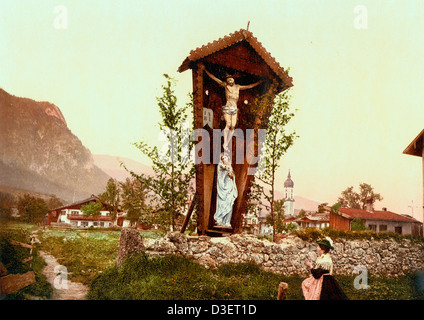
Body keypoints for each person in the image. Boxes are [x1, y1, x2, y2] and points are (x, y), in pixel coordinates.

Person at [200, 65, 263, 153]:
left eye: (231, 79)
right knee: (228, 124)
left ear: (233, 79)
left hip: (234, 109)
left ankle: (227, 142)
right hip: (227, 107)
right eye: (228, 80)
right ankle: (225, 143)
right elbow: (215, 79)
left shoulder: (238, 87)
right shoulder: (226, 86)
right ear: (227, 81)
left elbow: (249, 86)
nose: (230, 81)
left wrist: (259, 82)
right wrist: (205, 70)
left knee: (233, 126)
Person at [214, 152, 238, 228]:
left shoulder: (230, 166)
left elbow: (232, 176)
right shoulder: (220, 165)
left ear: (228, 158)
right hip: (223, 188)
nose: (224, 159)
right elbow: (224, 168)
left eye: (226, 157)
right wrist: (228, 168)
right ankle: (219, 219)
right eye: (223, 158)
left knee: (230, 204)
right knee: (222, 204)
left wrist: (231, 176)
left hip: (230, 188)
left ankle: (227, 222)